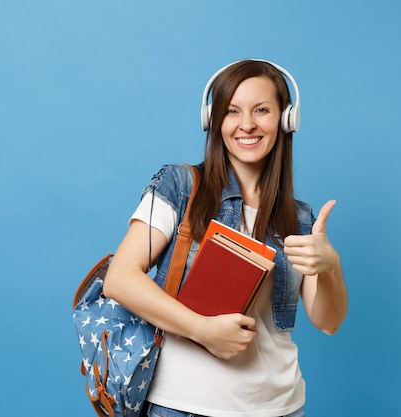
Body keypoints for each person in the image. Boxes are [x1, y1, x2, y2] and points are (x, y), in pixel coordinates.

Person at [103, 59, 348, 417]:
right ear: (213, 120)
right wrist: (202, 330)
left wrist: (331, 266)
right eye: (232, 111)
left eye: (261, 110)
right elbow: (120, 279)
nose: (246, 124)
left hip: (281, 407)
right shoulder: (181, 187)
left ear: (285, 119)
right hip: (185, 406)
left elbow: (329, 321)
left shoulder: (299, 218)